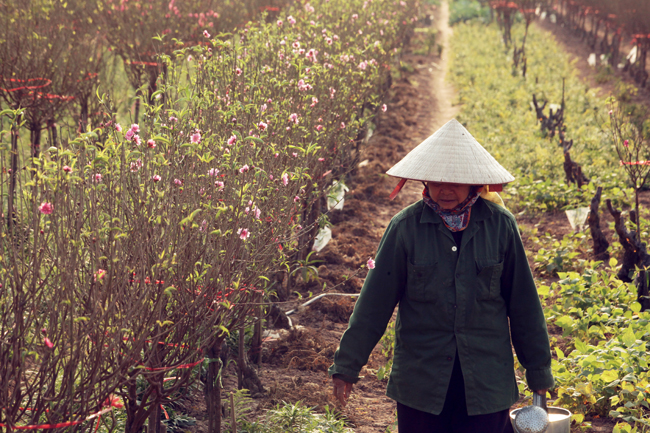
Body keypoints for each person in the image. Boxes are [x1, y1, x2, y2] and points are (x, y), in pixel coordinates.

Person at [328, 119, 554, 433]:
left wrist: (539, 375)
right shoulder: (405, 228)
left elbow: (524, 305)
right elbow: (373, 305)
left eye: (455, 181)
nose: (444, 189)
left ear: (474, 183)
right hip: (422, 383)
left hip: (486, 382)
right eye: (436, 181)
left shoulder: (500, 227)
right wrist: (347, 366)